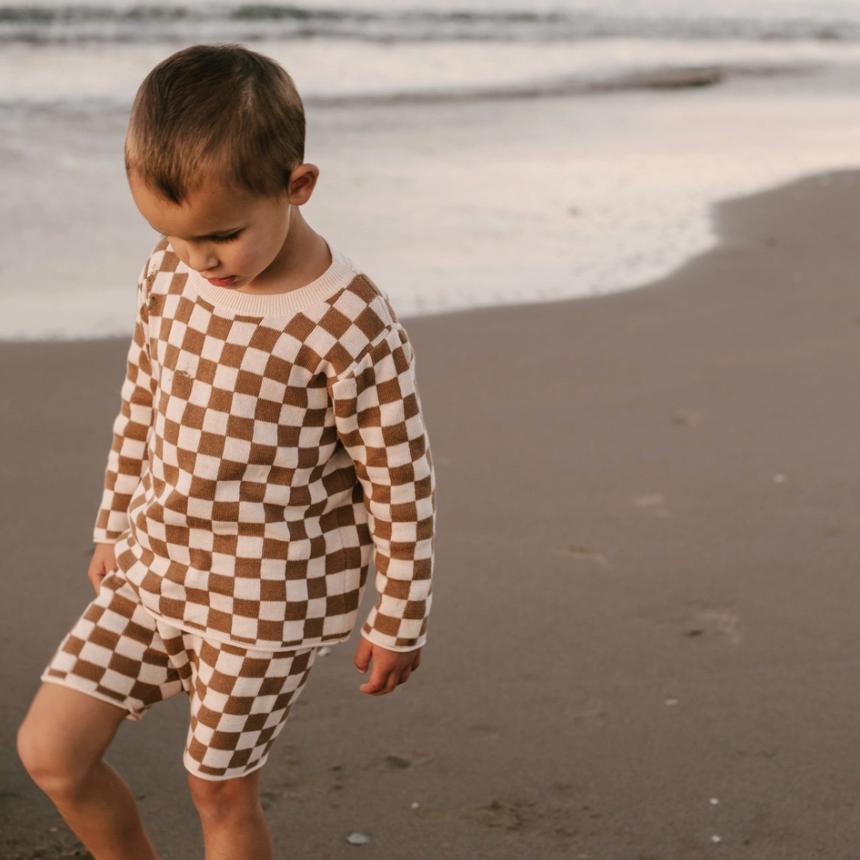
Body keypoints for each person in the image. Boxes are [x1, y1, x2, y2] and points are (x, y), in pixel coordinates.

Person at [16, 43, 435, 860]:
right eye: (173, 236)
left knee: (216, 789)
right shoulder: (170, 276)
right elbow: (143, 401)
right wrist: (114, 523)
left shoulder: (350, 322)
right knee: (51, 753)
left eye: (221, 236)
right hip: (157, 565)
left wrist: (400, 613)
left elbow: (400, 481)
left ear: (297, 186)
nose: (198, 260)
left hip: (268, 598)